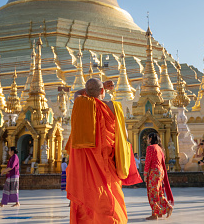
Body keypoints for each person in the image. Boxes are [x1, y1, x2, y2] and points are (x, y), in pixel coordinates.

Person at [66, 78, 132, 223]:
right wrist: (102, 87)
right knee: (110, 199)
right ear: (103, 91)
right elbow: (124, 135)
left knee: (87, 203)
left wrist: (95, 87)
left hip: (85, 172)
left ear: (86, 93)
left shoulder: (80, 103)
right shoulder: (112, 106)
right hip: (108, 166)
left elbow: (77, 93)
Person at [144, 132, 173, 220]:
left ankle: (156, 213)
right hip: (161, 172)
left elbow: (148, 162)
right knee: (159, 192)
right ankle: (166, 208)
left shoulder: (150, 148)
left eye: (148, 138)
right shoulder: (160, 148)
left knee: (152, 192)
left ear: (151, 138)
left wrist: (145, 174)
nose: (147, 140)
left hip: (154, 172)